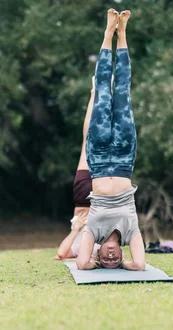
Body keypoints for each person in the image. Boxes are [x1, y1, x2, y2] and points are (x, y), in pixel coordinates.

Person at [75, 9, 146, 271]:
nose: (111, 258)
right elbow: (139, 264)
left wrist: (95, 264)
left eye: (106, 259)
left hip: (99, 157)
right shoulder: (131, 232)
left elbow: (82, 263)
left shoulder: (93, 231)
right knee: (123, 91)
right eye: (115, 260)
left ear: (99, 252)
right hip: (125, 157)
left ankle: (108, 34)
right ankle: (123, 34)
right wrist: (125, 265)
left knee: (103, 92)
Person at [54, 77, 100, 260]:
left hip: (83, 199)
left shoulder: (75, 247)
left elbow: (60, 254)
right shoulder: (99, 251)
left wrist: (76, 230)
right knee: (103, 139)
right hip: (102, 196)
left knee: (88, 140)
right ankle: (104, 94)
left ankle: (95, 93)